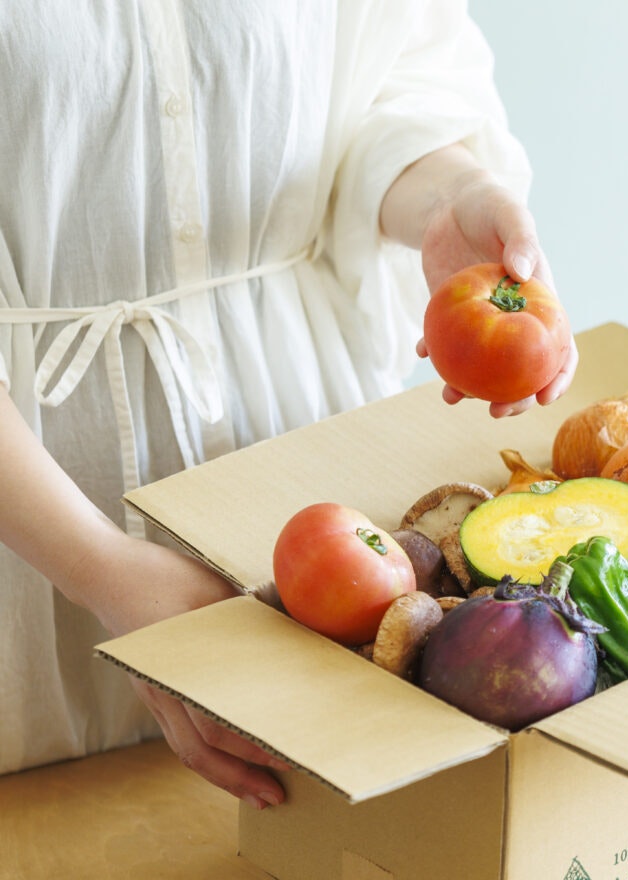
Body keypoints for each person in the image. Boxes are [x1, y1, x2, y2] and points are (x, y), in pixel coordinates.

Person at [0, 1, 576, 813]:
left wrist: (449, 193)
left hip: (309, 492)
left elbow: (388, 76)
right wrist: (101, 567)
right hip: (25, 545)